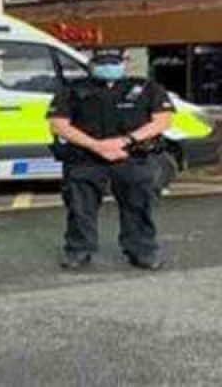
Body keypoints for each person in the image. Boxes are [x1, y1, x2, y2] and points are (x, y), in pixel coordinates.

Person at [47, 50, 175, 271]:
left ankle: (142, 252)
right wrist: (97, 146)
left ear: (124, 64)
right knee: (80, 209)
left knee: (139, 207)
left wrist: (125, 142)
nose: (109, 67)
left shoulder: (147, 88)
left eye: (113, 62)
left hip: (131, 157)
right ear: (91, 65)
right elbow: (58, 124)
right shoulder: (72, 90)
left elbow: (162, 121)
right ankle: (78, 251)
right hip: (85, 159)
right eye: (102, 63)